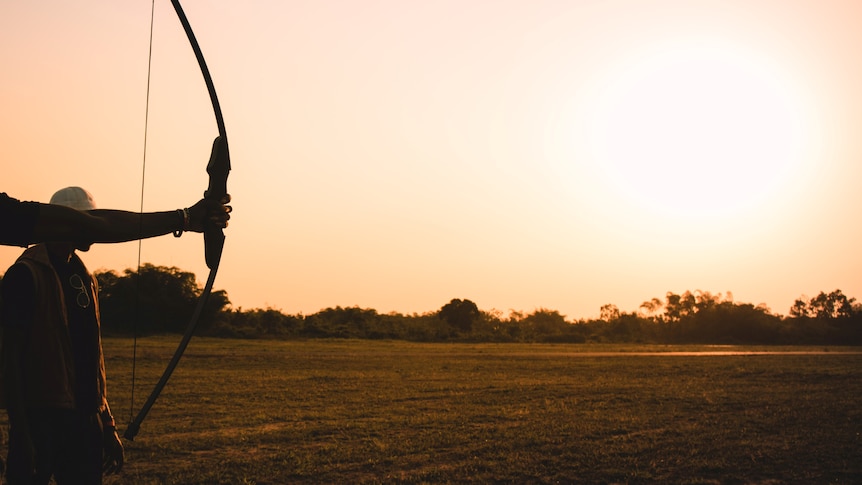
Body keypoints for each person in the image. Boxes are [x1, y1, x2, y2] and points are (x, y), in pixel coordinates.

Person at [1, 187, 128, 484]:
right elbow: (10, 361)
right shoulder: (24, 275)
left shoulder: (86, 277)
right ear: (67, 222)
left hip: (86, 419)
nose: (96, 230)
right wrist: (22, 436)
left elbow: (89, 356)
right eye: (89, 222)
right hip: (41, 420)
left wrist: (106, 424)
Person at [0, 191, 231, 248]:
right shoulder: (30, 272)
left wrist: (184, 219)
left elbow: (88, 227)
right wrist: (184, 219)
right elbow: (89, 227)